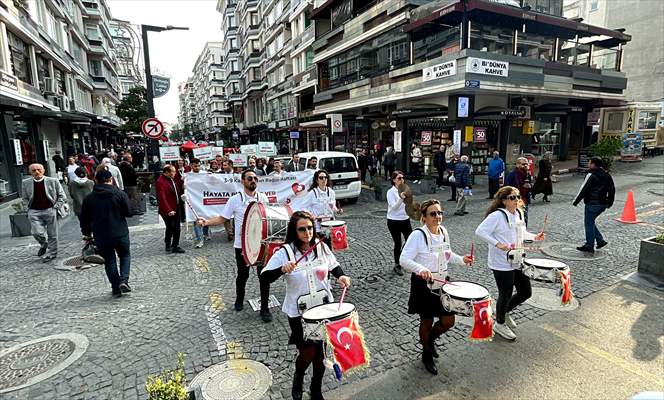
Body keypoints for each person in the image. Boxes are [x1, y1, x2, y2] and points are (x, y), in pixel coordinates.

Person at [262, 211, 350, 400]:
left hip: (324, 308)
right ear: (294, 231)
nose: (307, 232)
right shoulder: (284, 252)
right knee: (308, 353)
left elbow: (333, 265)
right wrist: (281, 269)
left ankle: (316, 389)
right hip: (299, 312)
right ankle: (298, 377)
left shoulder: (321, 247)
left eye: (310, 228)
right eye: (302, 229)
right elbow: (265, 277)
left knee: (321, 355)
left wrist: (341, 276)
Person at [400, 199, 473, 375]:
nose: (438, 216)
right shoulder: (418, 235)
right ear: (424, 217)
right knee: (426, 320)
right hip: (423, 285)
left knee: (449, 321)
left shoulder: (444, 232)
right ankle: (426, 354)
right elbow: (404, 259)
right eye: (433, 213)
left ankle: (429, 340)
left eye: (440, 213)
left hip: (443, 283)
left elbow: (447, 254)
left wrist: (462, 260)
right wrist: (421, 269)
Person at [197, 170, 274, 322]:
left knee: (263, 276)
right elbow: (222, 218)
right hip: (242, 245)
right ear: (242, 181)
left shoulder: (263, 198)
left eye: (255, 178)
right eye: (250, 178)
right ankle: (239, 299)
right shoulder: (235, 200)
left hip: (261, 244)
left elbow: (269, 218)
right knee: (243, 275)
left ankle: (264, 308)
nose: (253, 181)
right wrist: (206, 222)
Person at [475, 186, 545, 340]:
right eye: (512, 197)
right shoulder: (496, 216)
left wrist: (534, 237)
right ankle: (499, 323)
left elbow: (521, 232)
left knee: (525, 292)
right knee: (505, 293)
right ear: (504, 200)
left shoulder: (519, 212)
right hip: (501, 262)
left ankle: (504, 312)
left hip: (518, 259)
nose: (516, 200)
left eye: (517, 196)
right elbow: (480, 231)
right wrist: (497, 243)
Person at [80, 170, 133, 297]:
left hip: (101, 234)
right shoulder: (119, 193)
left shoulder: (89, 198)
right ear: (110, 180)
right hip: (120, 232)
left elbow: (84, 219)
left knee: (110, 261)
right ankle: (124, 280)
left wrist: (87, 233)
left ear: (96, 181)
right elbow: (129, 212)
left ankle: (116, 287)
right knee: (125, 256)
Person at [22, 163, 67, 263]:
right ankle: (44, 244)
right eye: (34, 170)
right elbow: (24, 198)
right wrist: (27, 209)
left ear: (43, 170)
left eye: (39, 170)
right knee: (36, 232)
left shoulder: (53, 181)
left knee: (52, 234)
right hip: (34, 211)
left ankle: (52, 253)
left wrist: (55, 207)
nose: (37, 172)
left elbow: (62, 196)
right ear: (30, 172)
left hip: (49, 209)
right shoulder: (26, 182)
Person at [573, 157, 615, 253]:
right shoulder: (607, 174)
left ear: (593, 164)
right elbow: (612, 189)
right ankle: (600, 240)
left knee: (588, 224)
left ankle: (589, 245)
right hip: (603, 203)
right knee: (591, 222)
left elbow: (584, 188)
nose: (588, 163)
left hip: (592, 204)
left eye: (589, 162)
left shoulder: (591, 174)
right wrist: (610, 203)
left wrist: (576, 201)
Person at [386, 170, 412, 276]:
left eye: (402, 178)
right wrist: (401, 198)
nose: (402, 180)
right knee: (398, 243)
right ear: (394, 180)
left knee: (410, 240)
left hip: (405, 219)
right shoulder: (390, 192)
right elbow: (394, 207)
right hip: (393, 220)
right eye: (399, 178)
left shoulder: (405, 189)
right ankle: (397, 264)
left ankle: (404, 259)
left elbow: (409, 204)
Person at [156, 165, 185, 254]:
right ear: (167, 172)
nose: (175, 173)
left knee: (177, 227)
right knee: (170, 227)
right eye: (173, 171)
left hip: (176, 206)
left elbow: (176, 189)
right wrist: (168, 210)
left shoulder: (171, 179)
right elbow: (162, 198)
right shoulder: (160, 181)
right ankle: (168, 243)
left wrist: (181, 197)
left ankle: (175, 245)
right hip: (168, 209)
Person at [185, 159, 211, 248]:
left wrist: (212, 176)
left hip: (204, 199)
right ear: (191, 165)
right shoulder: (187, 175)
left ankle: (206, 233)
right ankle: (199, 239)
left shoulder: (204, 173)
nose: (197, 167)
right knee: (196, 220)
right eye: (195, 166)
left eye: (198, 165)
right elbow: (184, 187)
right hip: (194, 201)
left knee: (205, 217)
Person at [504, 157, 532, 226]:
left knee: (524, 217)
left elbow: (531, 185)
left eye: (526, 164)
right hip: (514, 200)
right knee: (515, 218)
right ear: (517, 165)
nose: (525, 166)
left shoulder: (527, 174)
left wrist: (530, 186)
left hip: (524, 200)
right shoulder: (512, 174)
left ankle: (523, 232)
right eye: (523, 164)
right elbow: (506, 187)